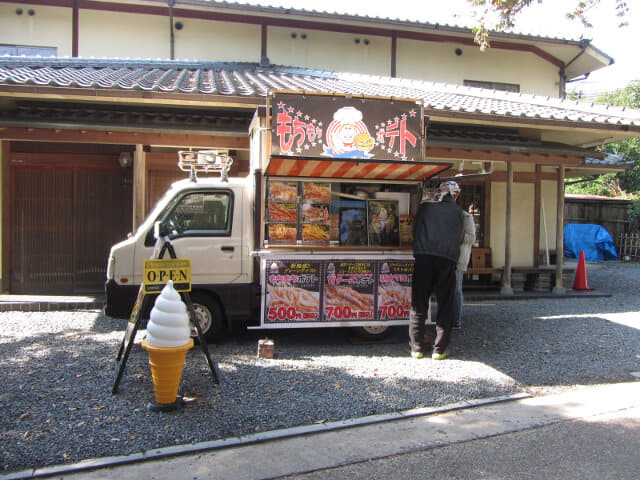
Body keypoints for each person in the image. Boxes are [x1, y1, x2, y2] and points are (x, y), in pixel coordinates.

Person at [409, 181, 466, 360]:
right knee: (444, 305)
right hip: (446, 260)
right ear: (454, 195)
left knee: (419, 303)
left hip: (423, 257)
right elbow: (461, 237)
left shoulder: (425, 207)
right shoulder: (458, 212)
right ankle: (439, 350)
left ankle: (416, 348)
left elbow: (415, 230)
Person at [452, 208, 476, 329]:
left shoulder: (466, 217)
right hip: (444, 257)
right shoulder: (444, 216)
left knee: (456, 289)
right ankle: (446, 318)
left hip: (459, 258)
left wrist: (456, 233)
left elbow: (472, 238)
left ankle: (456, 321)